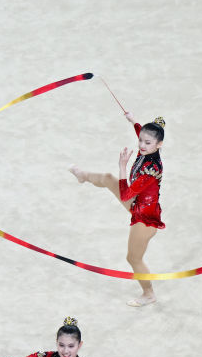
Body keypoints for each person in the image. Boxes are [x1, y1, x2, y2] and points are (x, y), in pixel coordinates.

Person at [70, 115, 166, 306]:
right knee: (107, 178)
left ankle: (149, 294)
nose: (142, 145)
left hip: (145, 218)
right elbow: (142, 132)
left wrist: (122, 166)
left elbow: (125, 194)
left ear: (158, 145)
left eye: (147, 142)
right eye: (140, 140)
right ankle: (83, 176)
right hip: (139, 204)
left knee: (133, 258)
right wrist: (132, 120)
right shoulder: (148, 147)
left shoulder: (150, 171)